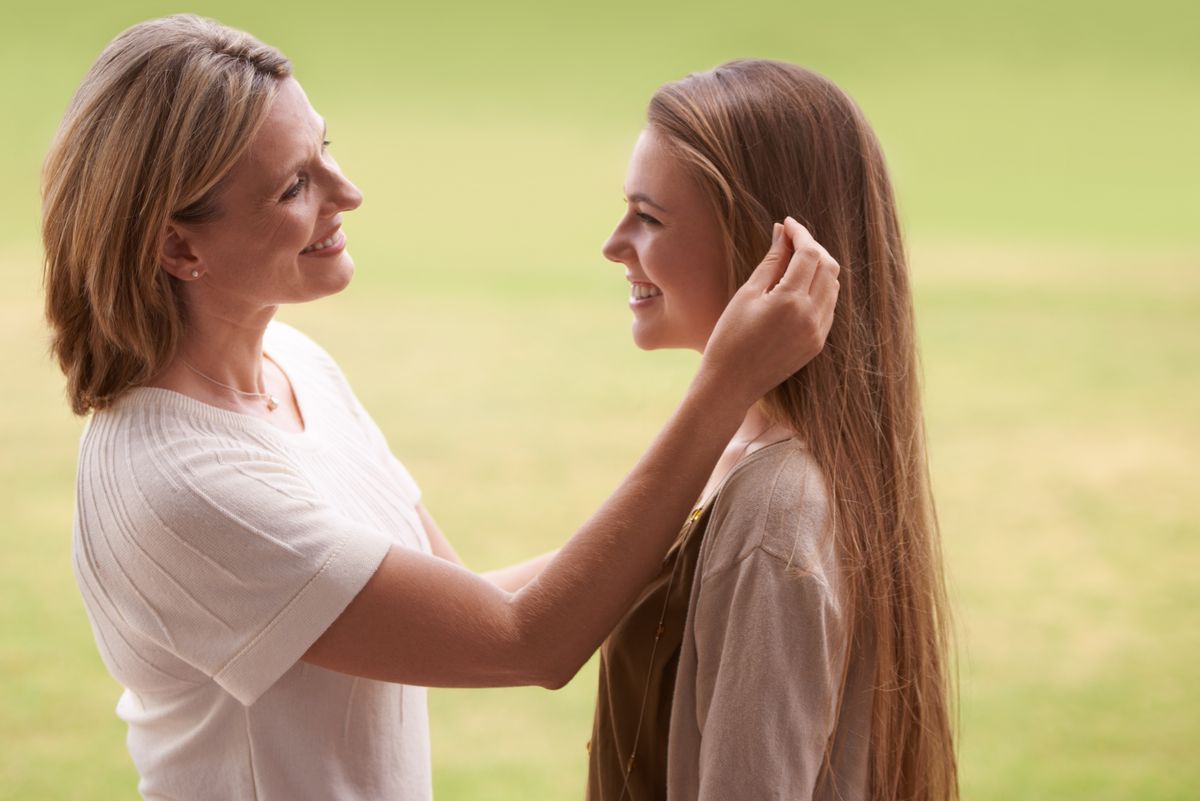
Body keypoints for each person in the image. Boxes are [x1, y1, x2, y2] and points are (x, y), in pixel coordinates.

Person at [41, 17, 840, 801]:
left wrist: (723, 474)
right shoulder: (182, 486)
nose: (347, 191)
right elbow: (525, 639)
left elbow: (475, 595)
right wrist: (722, 392)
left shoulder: (298, 370)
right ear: (179, 248)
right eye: (295, 186)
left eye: (324, 147)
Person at [585, 60, 958, 801]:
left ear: (766, 249)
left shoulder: (777, 509)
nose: (615, 243)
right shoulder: (742, 461)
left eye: (649, 217)